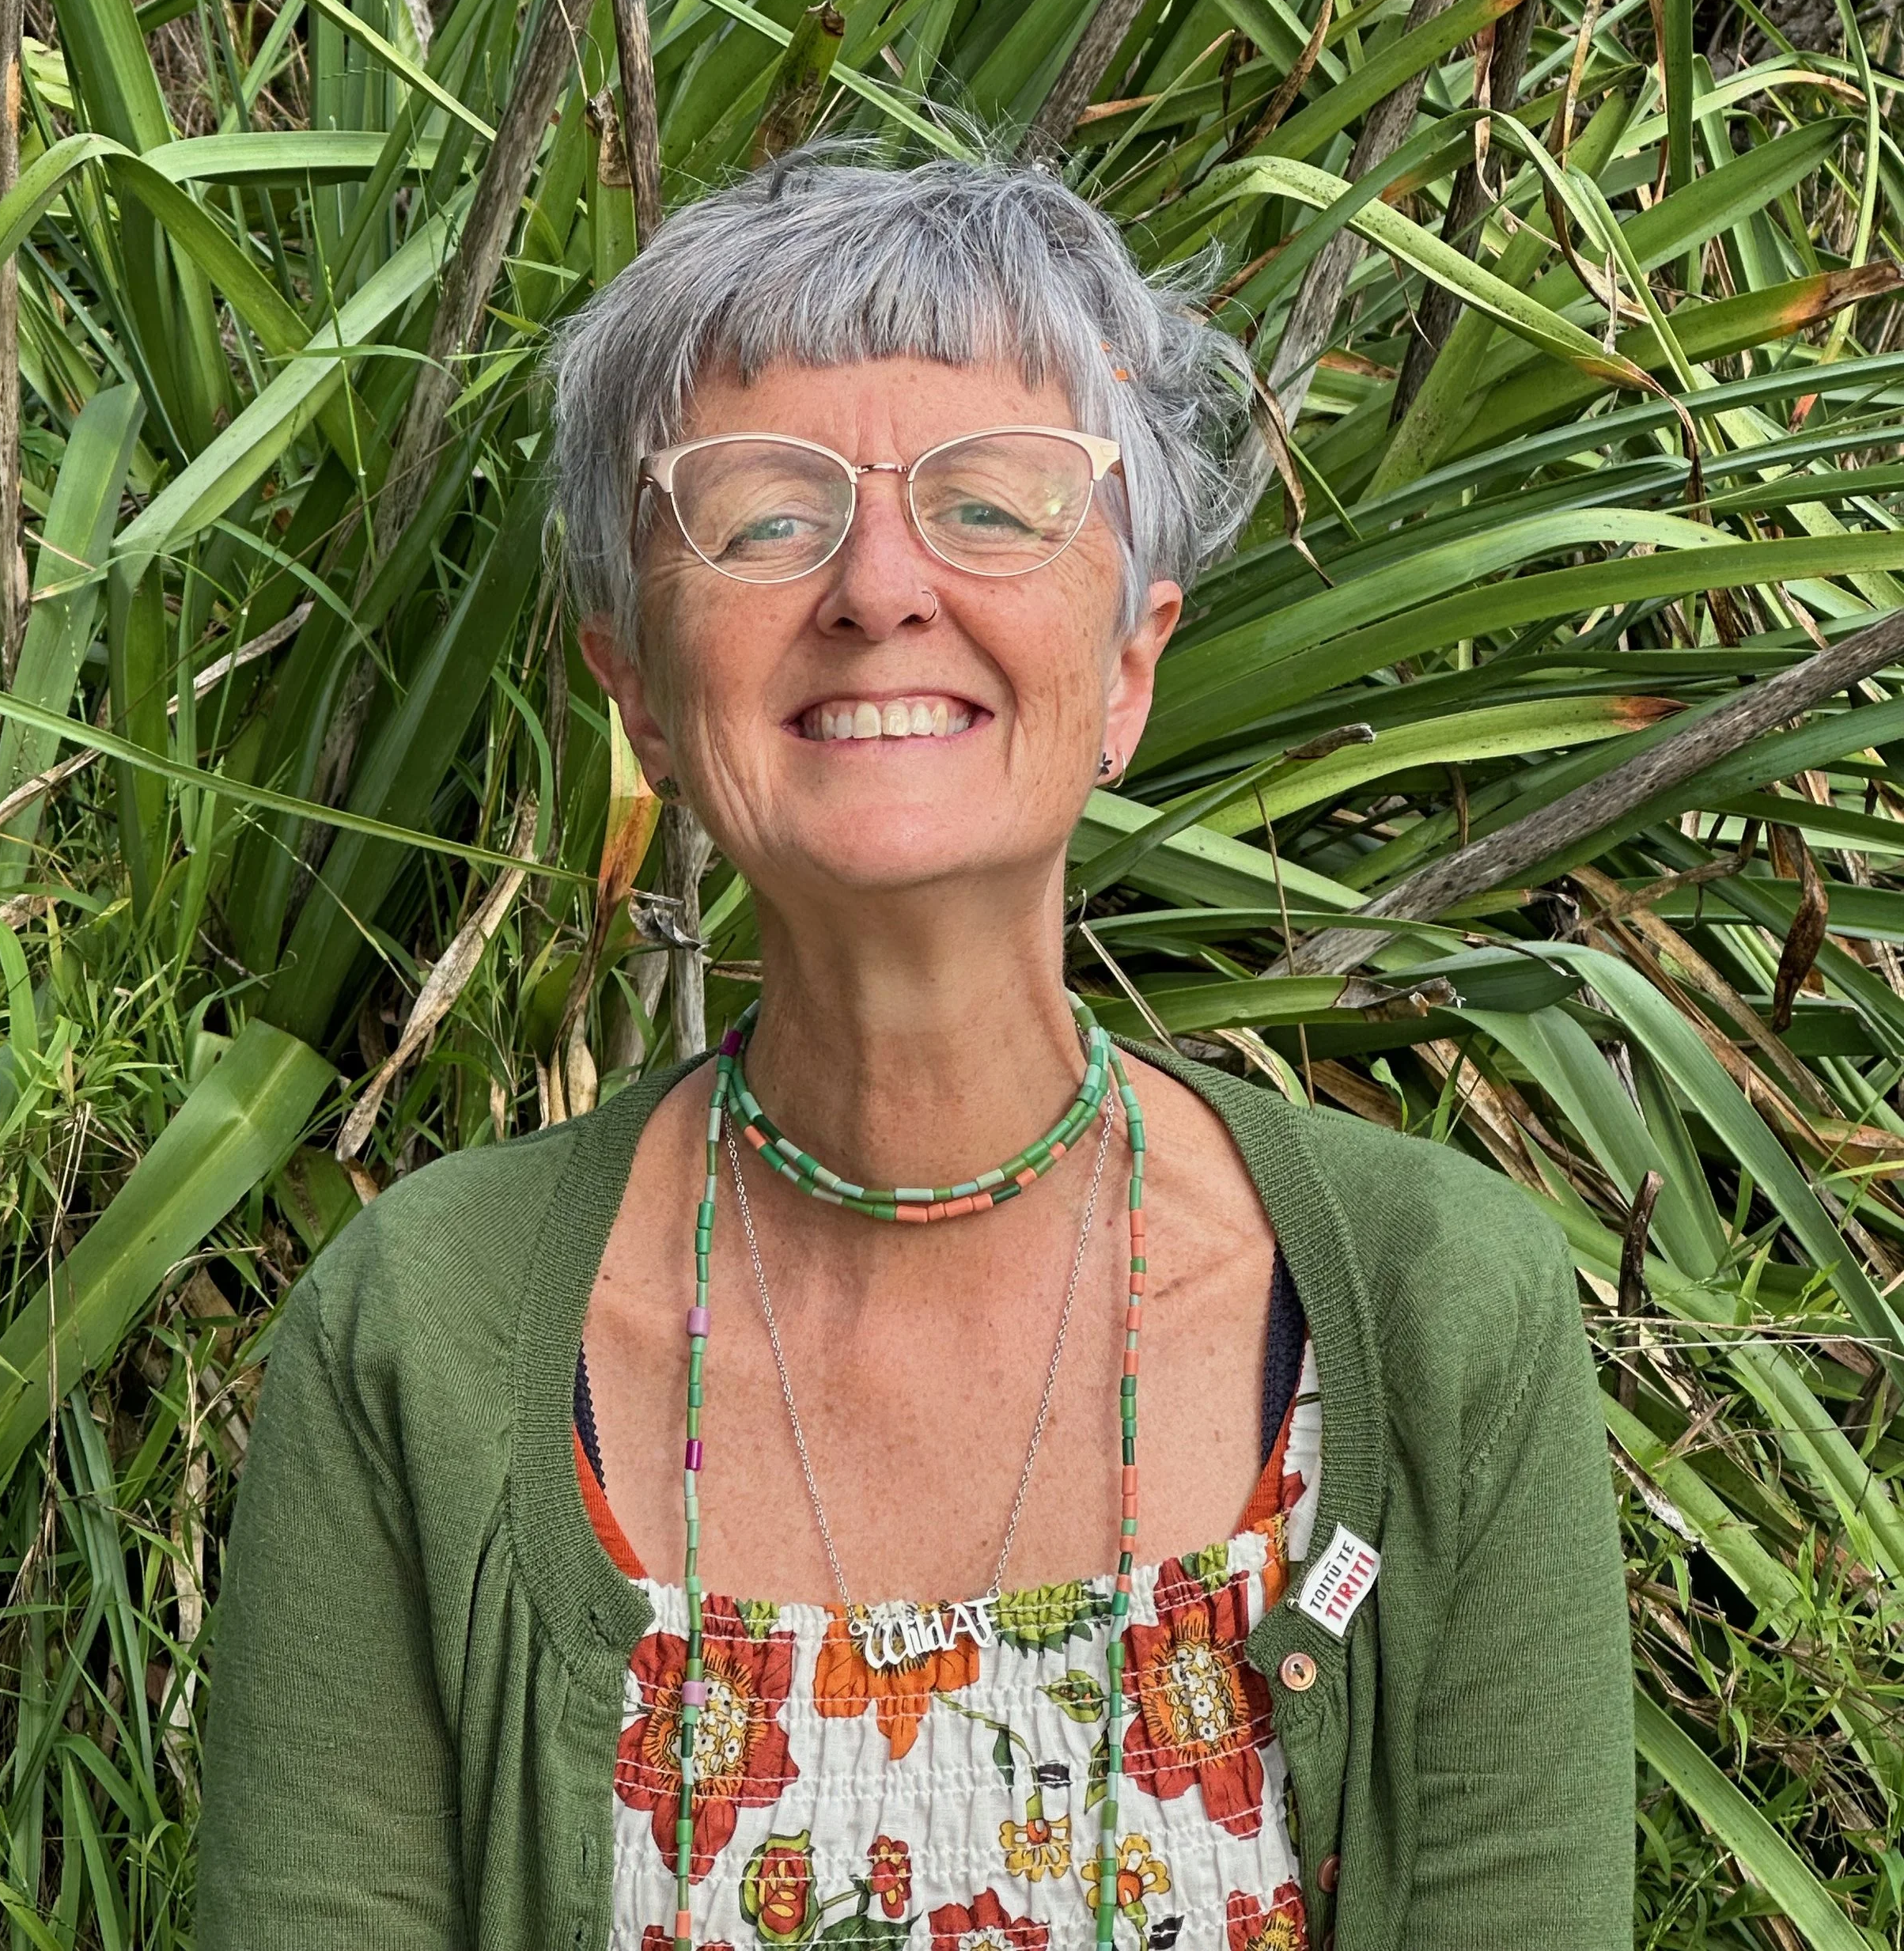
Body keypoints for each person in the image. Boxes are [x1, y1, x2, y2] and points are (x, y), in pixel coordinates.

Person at [198, 153, 1633, 1951]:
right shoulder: (417, 1338)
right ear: (632, 678)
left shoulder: (1436, 1321)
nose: (879, 583)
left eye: (992, 502)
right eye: (762, 512)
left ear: (1127, 665)